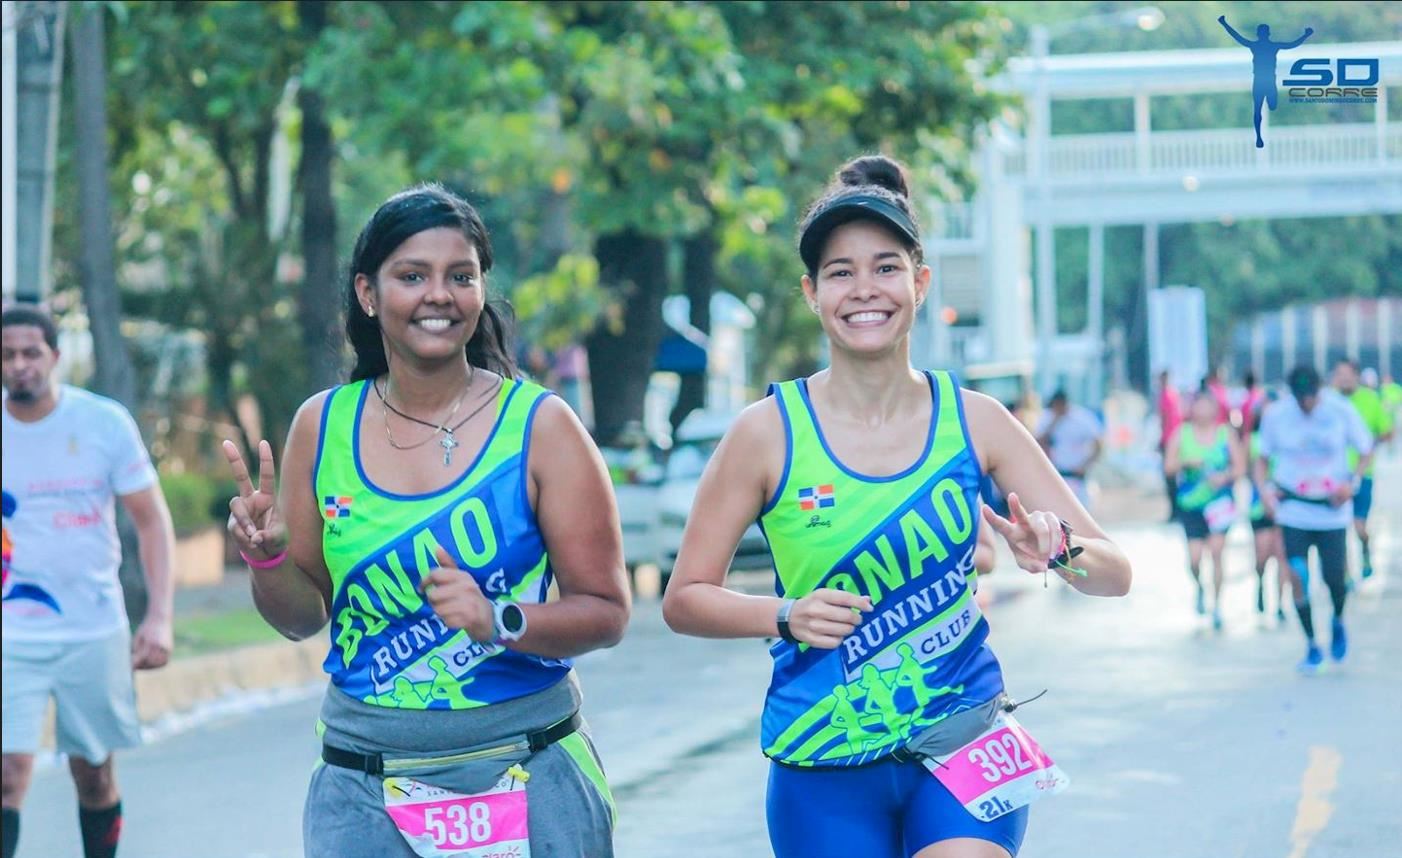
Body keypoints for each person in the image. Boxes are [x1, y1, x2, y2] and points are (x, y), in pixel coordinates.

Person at [661, 155, 1132, 858]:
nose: (864, 290)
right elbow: (684, 598)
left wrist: (1058, 548)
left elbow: (1115, 571)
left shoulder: (977, 421)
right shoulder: (765, 433)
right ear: (812, 293)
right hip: (822, 759)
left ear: (919, 282)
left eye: (885, 267)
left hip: (963, 739)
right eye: (840, 272)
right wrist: (785, 615)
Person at [221, 184, 629, 856]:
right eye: (412, 276)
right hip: (365, 786)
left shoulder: (542, 426)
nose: (439, 295)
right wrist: (267, 559)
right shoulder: (322, 426)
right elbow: (303, 615)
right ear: (368, 293)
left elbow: (608, 611)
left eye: (459, 276)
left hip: (531, 770)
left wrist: (498, 619)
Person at [2, 304, 176, 858]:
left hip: (92, 629)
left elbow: (152, 522)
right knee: (8, 773)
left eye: (31, 353)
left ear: (54, 356)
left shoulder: (102, 423)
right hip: (10, 636)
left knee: (94, 774)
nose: (20, 365)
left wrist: (159, 616)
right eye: (7, 355)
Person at [1257, 366, 1372, 674]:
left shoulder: (1340, 410)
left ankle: (1337, 619)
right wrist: (1265, 493)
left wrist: (1353, 483)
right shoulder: (1277, 415)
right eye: (1301, 400)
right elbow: (1262, 459)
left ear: (1320, 391)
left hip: (1331, 511)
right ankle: (1311, 644)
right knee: (1296, 574)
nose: (1307, 404)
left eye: (1311, 398)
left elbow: (1365, 449)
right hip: (1293, 507)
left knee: (1334, 578)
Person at [1163, 389, 1245, 630]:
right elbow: (1168, 467)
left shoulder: (1225, 434)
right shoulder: (1182, 434)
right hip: (1191, 505)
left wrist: (1225, 476)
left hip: (1219, 504)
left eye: (1207, 405)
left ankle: (1218, 605)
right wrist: (1186, 463)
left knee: (1218, 552)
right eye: (1197, 405)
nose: (1202, 411)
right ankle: (1200, 587)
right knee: (1195, 558)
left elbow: (1240, 468)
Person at [1331, 359, 1392, 580]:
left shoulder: (1370, 399)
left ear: (1357, 377)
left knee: (1358, 526)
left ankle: (1365, 547)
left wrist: (1367, 444)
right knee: (1338, 529)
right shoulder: (1329, 401)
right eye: (1340, 375)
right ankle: (1344, 574)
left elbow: (1387, 432)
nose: (1344, 379)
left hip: (1363, 474)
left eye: (1348, 375)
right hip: (1335, 477)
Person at [1217, 16, 1314, 148]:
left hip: (1265, 80)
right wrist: (1224, 24)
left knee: (1270, 106)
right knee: (1258, 109)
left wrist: (1305, 36)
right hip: (1262, 80)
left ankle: (1262, 127)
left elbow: (1291, 45)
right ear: (1265, 34)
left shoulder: (1262, 46)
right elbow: (1291, 44)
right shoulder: (1264, 46)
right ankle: (1258, 137)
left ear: (1263, 34)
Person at [1245, 407, 1289, 624]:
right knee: (1262, 556)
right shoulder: (1252, 441)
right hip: (1258, 507)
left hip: (1286, 507)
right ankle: (1261, 583)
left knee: (1282, 556)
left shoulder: (1290, 439)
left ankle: (1281, 604)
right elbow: (1247, 470)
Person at [1034, 390, 1103, 509]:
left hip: (1077, 475)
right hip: (1056, 474)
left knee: (1081, 511)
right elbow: (1037, 443)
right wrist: (1054, 422)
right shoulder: (1047, 417)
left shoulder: (1082, 418)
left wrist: (1085, 465)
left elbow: (1098, 444)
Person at [1155, 370, 1184, 522]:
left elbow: (1163, 420)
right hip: (1177, 439)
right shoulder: (1175, 394)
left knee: (1170, 478)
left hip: (1169, 440)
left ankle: (1175, 511)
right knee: (1175, 477)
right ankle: (1177, 510)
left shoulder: (1165, 396)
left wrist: (1161, 440)